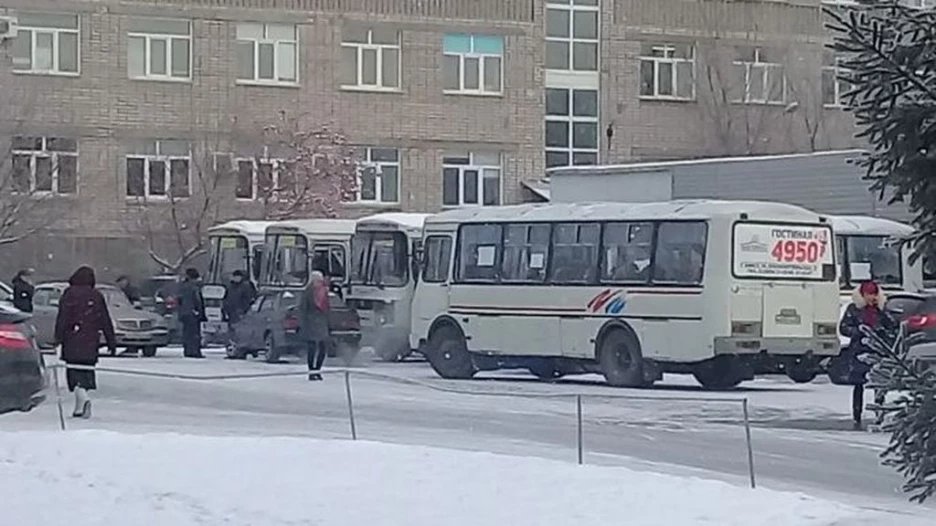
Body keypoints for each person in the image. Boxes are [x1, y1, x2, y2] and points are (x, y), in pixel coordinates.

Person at [54, 266, 117, 419]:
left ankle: (82, 400)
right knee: (86, 372)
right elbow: (105, 320)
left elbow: (62, 317)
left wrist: (58, 337)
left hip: (72, 339)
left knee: (74, 373)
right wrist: (111, 342)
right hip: (90, 340)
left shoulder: (69, 294)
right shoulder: (96, 296)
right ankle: (79, 407)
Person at [838, 280, 897, 430]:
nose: (871, 297)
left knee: (879, 383)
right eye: (868, 294)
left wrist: (881, 320)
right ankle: (856, 414)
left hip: (877, 351)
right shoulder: (854, 309)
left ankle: (879, 412)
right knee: (859, 384)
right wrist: (859, 332)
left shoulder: (881, 310)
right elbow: (844, 328)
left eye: (874, 294)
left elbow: (892, 327)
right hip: (859, 350)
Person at [299, 271, 330, 381]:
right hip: (311, 322)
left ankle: (317, 370)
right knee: (312, 348)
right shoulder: (308, 292)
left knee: (322, 348)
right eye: (318, 279)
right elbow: (303, 308)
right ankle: (312, 371)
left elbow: (328, 308)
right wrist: (302, 323)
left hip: (321, 322)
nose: (320, 282)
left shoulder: (324, 291)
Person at [177, 268, 206, 359]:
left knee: (187, 333)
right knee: (194, 333)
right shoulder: (194, 287)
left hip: (184, 313)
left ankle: (187, 350)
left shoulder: (182, 286)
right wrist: (200, 312)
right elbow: (197, 301)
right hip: (193, 313)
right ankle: (195, 351)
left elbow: (179, 300)